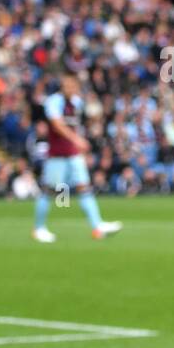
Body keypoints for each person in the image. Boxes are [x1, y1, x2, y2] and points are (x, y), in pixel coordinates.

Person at [31, 73, 122, 242]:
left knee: (84, 187)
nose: (70, 89)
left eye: (73, 86)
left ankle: (97, 226)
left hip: (73, 154)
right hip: (57, 156)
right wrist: (77, 140)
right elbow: (57, 125)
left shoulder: (77, 103)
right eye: (67, 85)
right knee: (50, 191)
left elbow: (80, 123)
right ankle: (38, 228)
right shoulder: (54, 102)